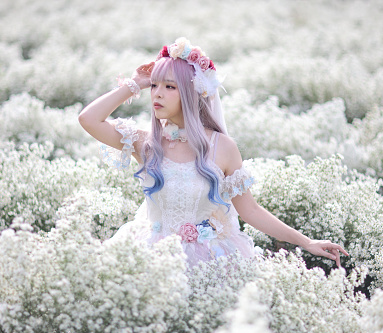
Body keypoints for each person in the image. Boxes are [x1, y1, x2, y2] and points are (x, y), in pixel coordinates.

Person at [78, 37, 348, 267]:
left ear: (191, 93)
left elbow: (251, 211)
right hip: (151, 254)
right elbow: (88, 119)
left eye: (169, 86)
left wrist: (306, 241)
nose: (157, 94)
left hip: (209, 258)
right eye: (155, 86)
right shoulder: (146, 142)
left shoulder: (223, 147)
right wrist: (134, 83)